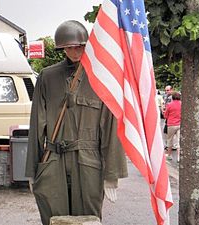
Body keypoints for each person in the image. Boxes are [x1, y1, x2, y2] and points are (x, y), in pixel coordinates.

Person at [25, 20, 128, 225]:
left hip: (88, 160)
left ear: (86, 45)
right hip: (54, 158)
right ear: (62, 48)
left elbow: (110, 127)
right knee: (54, 217)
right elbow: (37, 124)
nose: (74, 52)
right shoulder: (48, 77)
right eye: (69, 47)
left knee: (88, 218)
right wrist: (32, 169)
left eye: (79, 46)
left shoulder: (100, 77)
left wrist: (111, 175)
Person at [164, 91, 181, 162]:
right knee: (179, 141)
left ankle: (169, 155)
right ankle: (179, 157)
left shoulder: (169, 105)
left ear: (173, 97)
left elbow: (165, 115)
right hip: (179, 124)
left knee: (170, 140)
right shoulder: (182, 104)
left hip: (171, 124)